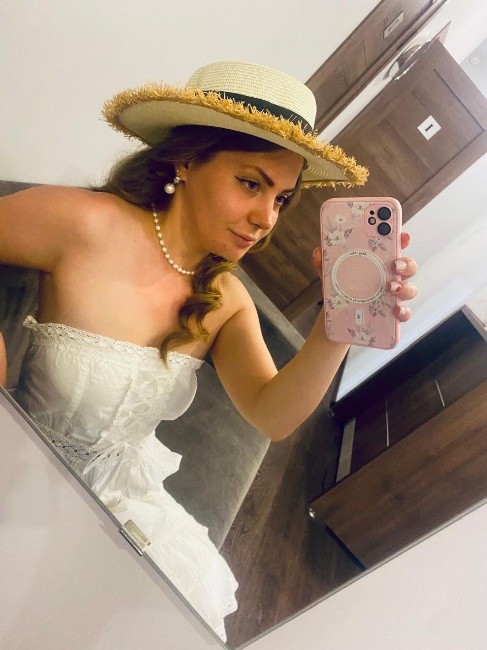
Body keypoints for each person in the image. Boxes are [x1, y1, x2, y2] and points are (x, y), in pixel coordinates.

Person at [0, 61, 417, 641]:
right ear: (187, 160)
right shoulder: (87, 226)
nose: (265, 219)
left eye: (282, 198)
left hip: (124, 508)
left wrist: (338, 327)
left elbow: (272, 415)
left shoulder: (225, 299)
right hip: (18, 476)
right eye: (251, 184)